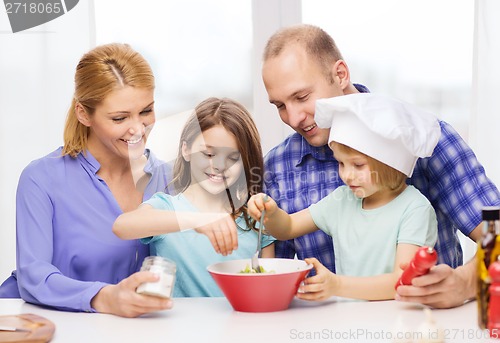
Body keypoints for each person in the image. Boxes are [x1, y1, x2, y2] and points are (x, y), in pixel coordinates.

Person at [261, 23, 500, 307]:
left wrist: (466, 283)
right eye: (279, 106)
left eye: (301, 97)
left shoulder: (422, 139)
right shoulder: (279, 166)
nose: (294, 117)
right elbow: (276, 276)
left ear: (340, 74)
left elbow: (495, 234)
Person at [0, 43, 175, 318]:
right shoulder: (41, 179)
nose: (138, 129)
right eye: (119, 118)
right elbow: (33, 277)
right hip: (46, 324)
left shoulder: (168, 179)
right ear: (84, 114)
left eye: (146, 111)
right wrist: (104, 298)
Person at [249, 93, 439, 300]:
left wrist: (337, 285)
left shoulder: (414, 209)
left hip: (394, 324)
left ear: (389, 162)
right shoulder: (343, 200)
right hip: (347, 321)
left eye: (358, 165)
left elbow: (402, 281)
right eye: (341, 163)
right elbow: (288, 228)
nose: (347, 175)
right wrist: (271, 212)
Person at [113, 97, 275, 297]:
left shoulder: (256, 220)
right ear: (186, 149)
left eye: (233, 158)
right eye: (208, 154)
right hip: (178, 328)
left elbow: (268, 292)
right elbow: (122, 226)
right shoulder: (166, 208)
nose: (219, 165)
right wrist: (198, 220)